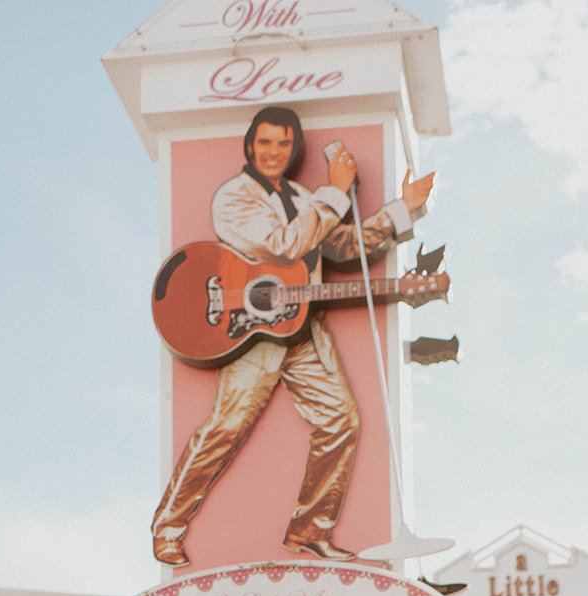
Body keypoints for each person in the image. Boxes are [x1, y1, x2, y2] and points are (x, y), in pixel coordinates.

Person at [152, 104, 435, 567]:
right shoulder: (233, 198)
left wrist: (404, 209)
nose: (274, 152)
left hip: (302, 333)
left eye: (284, 143)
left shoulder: (306, 197)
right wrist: (335, 193)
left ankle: (309, 531)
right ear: (249, 145)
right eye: (265, 142)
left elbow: (341, 245)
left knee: (341, 422)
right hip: (249, 333)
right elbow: (284, 246)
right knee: (223, 431)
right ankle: (169, 525)